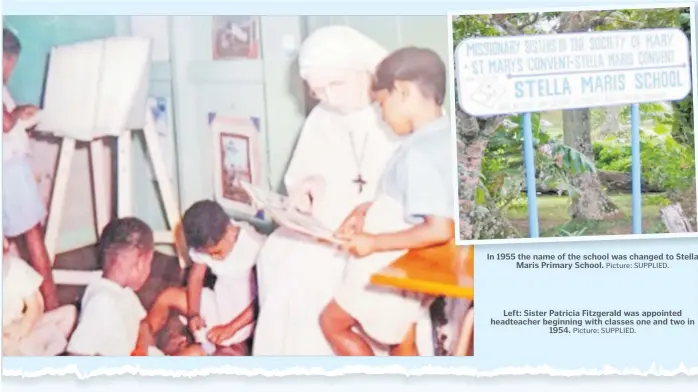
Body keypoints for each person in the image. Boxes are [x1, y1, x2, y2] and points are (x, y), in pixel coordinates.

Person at [253, 25, 433, 356]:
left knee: (317, 273)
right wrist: (309, 186)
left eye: (336, 84)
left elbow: (421, 192)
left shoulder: (402, 109)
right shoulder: (323, 116)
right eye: (318, 91)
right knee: (278, 254)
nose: (330, 98)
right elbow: (305, 171)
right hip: (330, 221)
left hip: (386, 227)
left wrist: (368, 212)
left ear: (365, 68)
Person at [319, 47, 454, 356]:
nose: (381, 115)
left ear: (403, 92)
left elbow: (439, 227)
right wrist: (364, 209)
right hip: (410, 263)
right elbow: (414, 201)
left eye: (382, 104)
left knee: (333, 322)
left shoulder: (419, 153)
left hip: (387, 262)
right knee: (402, 339)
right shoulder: (441, 139)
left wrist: (373, 243)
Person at [2, 28, 59, 311]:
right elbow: (5, 124)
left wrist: (18, 109)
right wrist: (17, 114)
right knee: (32, 234)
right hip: (9, 169)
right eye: (9, 64)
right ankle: (51, 301)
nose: (9, 72)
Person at [175, 200, 263, 355]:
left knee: (225, 352)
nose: (214, 259)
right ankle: (145, 336)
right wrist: (193, 313)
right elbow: (196, 277)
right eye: (208, 255)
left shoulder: (255, 246)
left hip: (244, 317)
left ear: (231, 231)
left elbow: (263, 298)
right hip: (219, 301)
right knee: (169, 296)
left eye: (216, 253)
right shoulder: (208, 240)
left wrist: (230, 328)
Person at [66, 217, 162, 356]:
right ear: (140, 263)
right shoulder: (101, 302)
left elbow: (143, 324)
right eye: (149, 264)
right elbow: (77, 355)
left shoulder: (124, 293)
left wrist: (141, 349)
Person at [3, 237, 77, 356]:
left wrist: (23, 326)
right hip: (6, 342)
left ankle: (45, 357)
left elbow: (36, 305)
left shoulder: (16, 269)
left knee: (69, 313)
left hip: (25, 330)